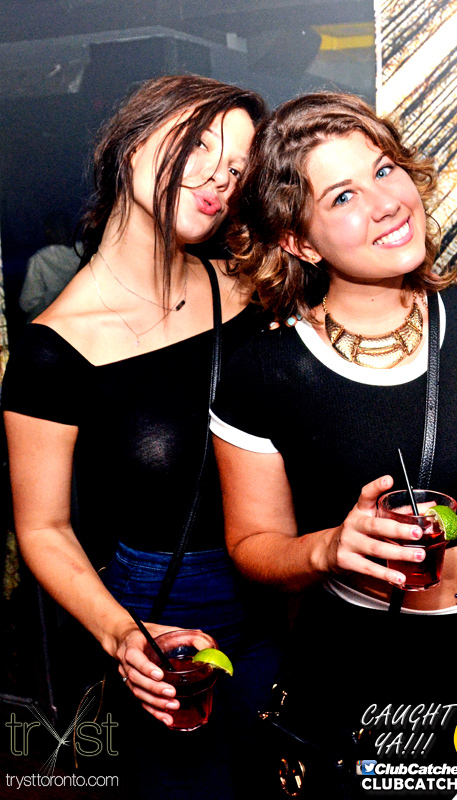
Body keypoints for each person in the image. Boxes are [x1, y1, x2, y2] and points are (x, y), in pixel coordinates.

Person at [211, 92, 457, 795]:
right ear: (298, 242)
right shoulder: (264, 374)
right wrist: (328, 548)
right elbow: (252, 545)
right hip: (367, 660)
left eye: (385, 171)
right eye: (344, 195)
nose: (386, 203)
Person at [2, 74, 285, 799]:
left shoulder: (249, 291)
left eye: (237, 168)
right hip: (171, 619)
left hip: (295, 594)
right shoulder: (53, 350)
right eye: (199, 145)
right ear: (130, 142)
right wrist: (123, 634)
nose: (219, 178)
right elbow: (43, 529)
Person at [19, 212, 80, 322]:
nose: (46, 233)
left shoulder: (39, 259)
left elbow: (27, 303)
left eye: (47, 229)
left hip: (51, 323)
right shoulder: (87, 253)